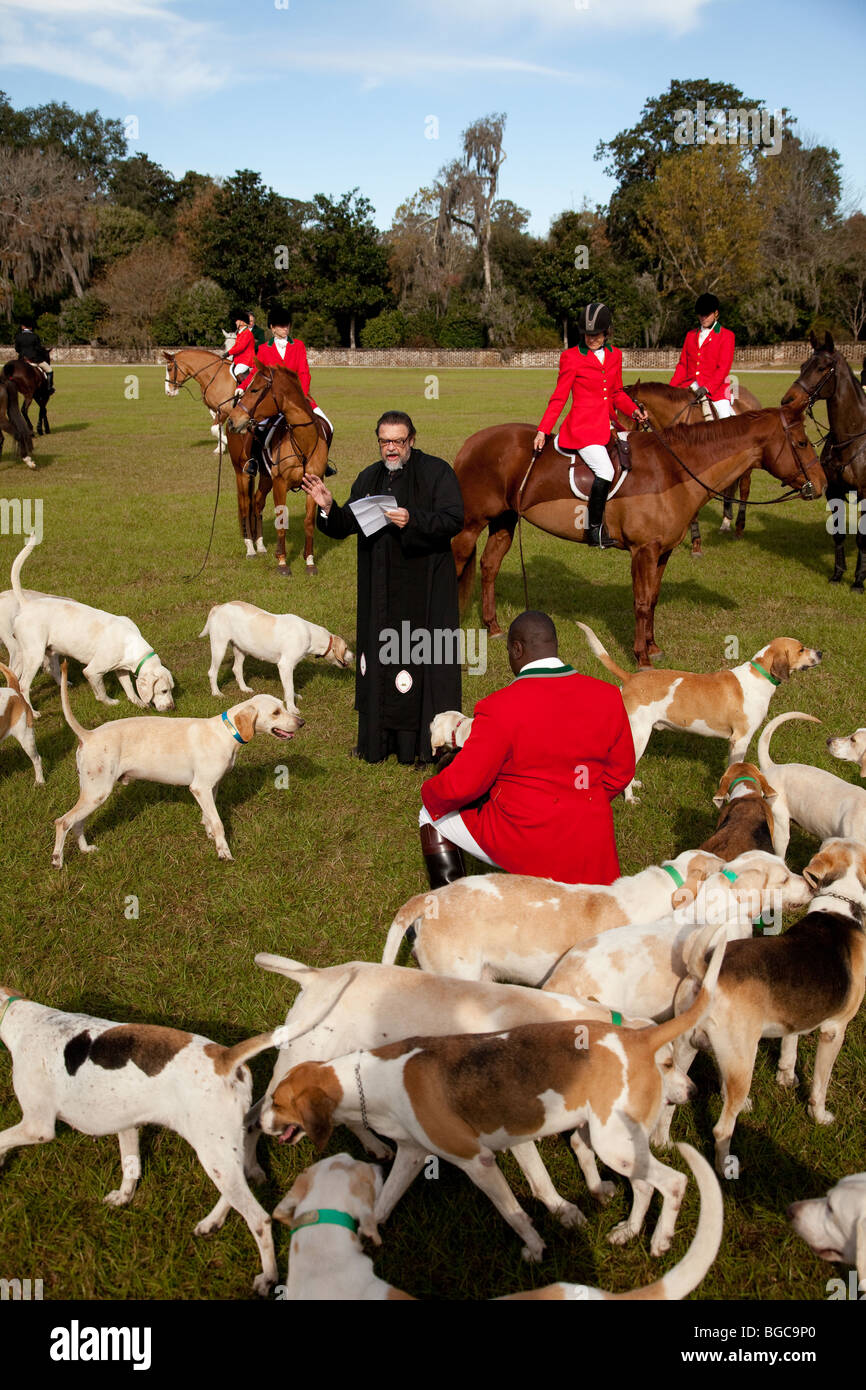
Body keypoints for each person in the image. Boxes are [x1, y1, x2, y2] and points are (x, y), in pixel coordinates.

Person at [418, 610, 635, 889]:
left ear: (517, 649)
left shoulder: (497, 707)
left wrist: (430, 790)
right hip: (593, 840)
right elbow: (622, 771)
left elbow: (463, 785)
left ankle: (451, 916)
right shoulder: (608, 696)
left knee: (430, 813)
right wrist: (578, 800)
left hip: (530, 840)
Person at [301, 411, 464, 766]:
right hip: (379, 591)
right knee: (380, 659)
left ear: (412, 440)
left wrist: (414, 519)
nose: (391, 448)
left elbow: (454, 519)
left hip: (424, 591)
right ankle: (378, 743)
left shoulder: (437, 473)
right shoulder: (369, 477)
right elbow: (348, 524)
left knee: (420, 659)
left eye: (398, 441)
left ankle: (423, 747)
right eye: (385, 441)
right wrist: (329, 507)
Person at [534, 302, 647, 549]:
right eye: (587, 334)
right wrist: (543, 429)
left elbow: (617, 392)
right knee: (606, 471)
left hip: (607, 427)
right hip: (582, 430)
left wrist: (634, 411)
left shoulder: (615, 355)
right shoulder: (571, 357)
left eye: (595, 334)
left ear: (607, 333)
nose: (591, 339)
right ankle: (593, 529)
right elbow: (559, 397)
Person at [670, 293, 736, 419]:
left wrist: (707, 388)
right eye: (701, 314)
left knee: (724, 418)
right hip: (689, 386)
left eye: (707, 314)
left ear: (716, 313)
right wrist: (670, 388)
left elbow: (723, 369)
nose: (703, 318)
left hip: (716, 391)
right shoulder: (690, 335)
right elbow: (683, 365)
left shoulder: (727, 336)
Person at [14, 318, 54, 395]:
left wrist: (23, 353)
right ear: (30, 327)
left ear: (23, 327)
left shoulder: (18, 336)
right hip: (34, 359)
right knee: (49, 370)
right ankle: (49, 388)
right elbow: (38, 348)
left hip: (22, 359)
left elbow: (17, 349)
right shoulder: (35, 336)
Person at [223, 310, 257, 388]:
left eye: (237, 321)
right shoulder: (240, 333)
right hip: (240, 359)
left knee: (237, 371)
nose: (236, 322)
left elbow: (240, 347)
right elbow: (236, 346)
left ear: (242, 322)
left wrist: (229, 353)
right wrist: (227, 353)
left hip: (246, 360)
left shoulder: (247, 333)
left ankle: (248, 388)